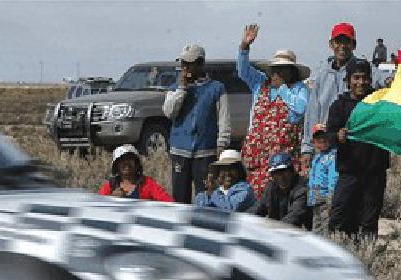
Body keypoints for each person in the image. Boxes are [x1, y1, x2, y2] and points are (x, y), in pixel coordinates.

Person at [301, 22, 388, 176]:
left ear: (353, 45)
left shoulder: (361, 69)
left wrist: (390, 80)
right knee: (323, 192)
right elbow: (312, 111)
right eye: (338, 41)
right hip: (324, 144)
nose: (342, 46)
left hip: (352, 147)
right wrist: (307, 148)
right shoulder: (321, 73)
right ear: (331, 44)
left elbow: (382, 79)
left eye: (347, 41)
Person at [237, 24, 309, 198]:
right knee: (257, 197)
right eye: (277, 68)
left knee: (280, 196)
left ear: (292, 71)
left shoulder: (299, 89)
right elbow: (243, 70)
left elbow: (301, 108)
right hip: (257, 156)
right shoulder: (260, 83)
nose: (279, 72)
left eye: (284, 68)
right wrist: (245, 46)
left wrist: (283, 89)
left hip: (283, 159)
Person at [326, 59, 391, 238]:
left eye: (365, 78)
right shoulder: (339, 106)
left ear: (370, 80)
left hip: (374, 174)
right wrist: (337, 137)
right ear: (348, 80)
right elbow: (328, 135)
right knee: (340, 219)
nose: (361, 82)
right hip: (349, 173)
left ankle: (366, 260)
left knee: (369, 222)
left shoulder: (379, 104)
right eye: (356, 78)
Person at [163, 43, 231, 204]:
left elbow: (224, 119)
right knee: (180, 199)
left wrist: (221, 146)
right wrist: (182, 89)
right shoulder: (175, 88)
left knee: (206, 197)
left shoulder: (216, 88)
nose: (185, 68)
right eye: (183, 64)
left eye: (189, 63)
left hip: (205, 153)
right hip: (180, 151)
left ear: (200, 63)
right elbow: (169, 112)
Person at [247, 152, 312, 229]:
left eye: (284, 172)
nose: (281, 178)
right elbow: (258, 208)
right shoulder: (271, 188)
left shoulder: (302, 188)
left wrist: (274, 231)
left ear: (292, 171)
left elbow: (295, 216)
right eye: (276, 174)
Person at [99, 144, 173, 201]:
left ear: (137, 164)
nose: (127, 163)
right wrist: (111, 199)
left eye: (130, 159)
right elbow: (99, 205)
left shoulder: (147, 183)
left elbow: (168, 202)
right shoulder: (110, 185)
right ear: (116, 165)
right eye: (122, 160)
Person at [307, 124, 338, 235]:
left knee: (326, 225)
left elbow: (333, 176)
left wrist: (331, 194)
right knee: (316, 225)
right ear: (314, 141)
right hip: (315, 197)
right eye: (318, 138)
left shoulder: (332, 155)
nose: (322, 140)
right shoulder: (316, 157)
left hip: (325, 198)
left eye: (325, 137)